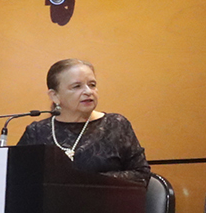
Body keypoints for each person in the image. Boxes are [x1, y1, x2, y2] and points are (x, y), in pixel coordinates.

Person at [15, 58, 149, 183]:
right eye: (77, 86)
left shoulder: (116, 124)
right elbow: (18, 178)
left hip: (105, 200)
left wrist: (89, 182)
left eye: (92, 85)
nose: (88, 92)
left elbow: (141, 175)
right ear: (54, 96)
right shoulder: (36, 132)